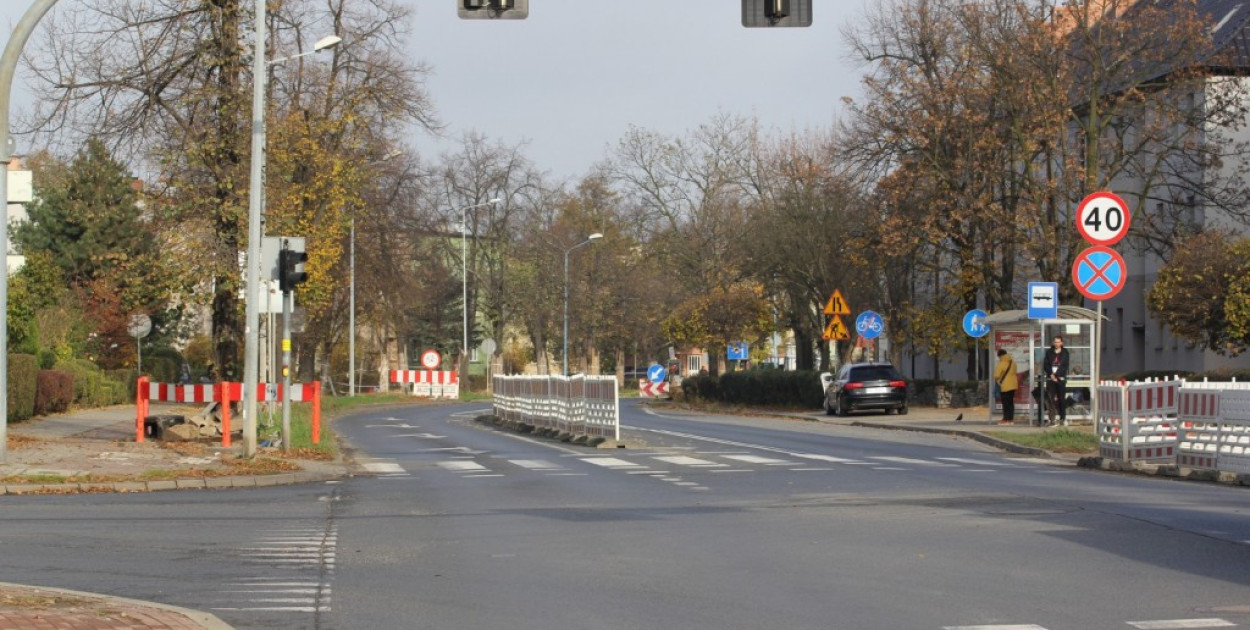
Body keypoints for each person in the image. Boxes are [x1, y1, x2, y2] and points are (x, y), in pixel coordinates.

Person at [1041, 334, 1070, 425]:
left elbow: (1064, 366)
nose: (1056, 344)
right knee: (1050, 399)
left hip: (1060, 379)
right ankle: (1052, 419)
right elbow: (1046, 365)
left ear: (1061, 343)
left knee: (1061, 399)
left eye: (1058, 342)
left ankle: (1062, 418)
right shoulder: (1049, 352)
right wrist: (1051, 374)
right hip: (1051, 379)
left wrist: (1056, 376)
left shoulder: (1065, 353)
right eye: (1055, 342)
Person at [994, 349, 1018, 425]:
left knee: (1005, 403)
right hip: (1013, 384)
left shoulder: (1001, 363)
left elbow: (996, 375)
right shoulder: (1013, 362)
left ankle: (1005, 419)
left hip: (1005, 385)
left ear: (1000, 355)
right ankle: (1011, 419)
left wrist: (998, 379)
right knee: (1010, 402)